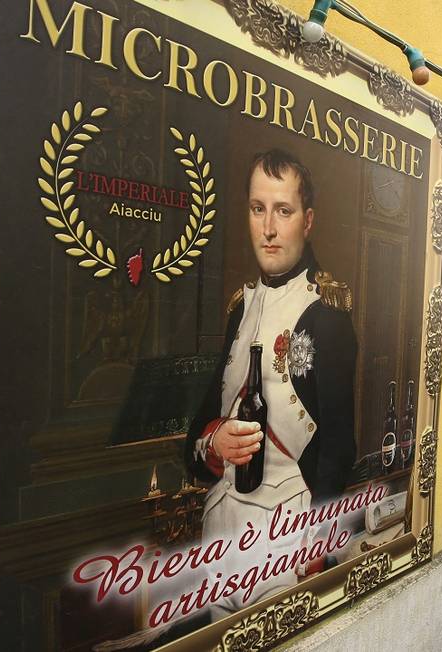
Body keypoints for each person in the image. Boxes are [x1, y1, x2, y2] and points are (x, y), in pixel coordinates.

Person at [184, 148, 357, 617]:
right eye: (258, 209)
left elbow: (340, 445)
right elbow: (202, 420)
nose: (269, 228)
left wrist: (317, 540)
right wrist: (214, 439)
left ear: (308, 220)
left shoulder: (327, 314)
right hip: (220, 527)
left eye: (284, 210)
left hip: (287, 533)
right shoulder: (240, 307)